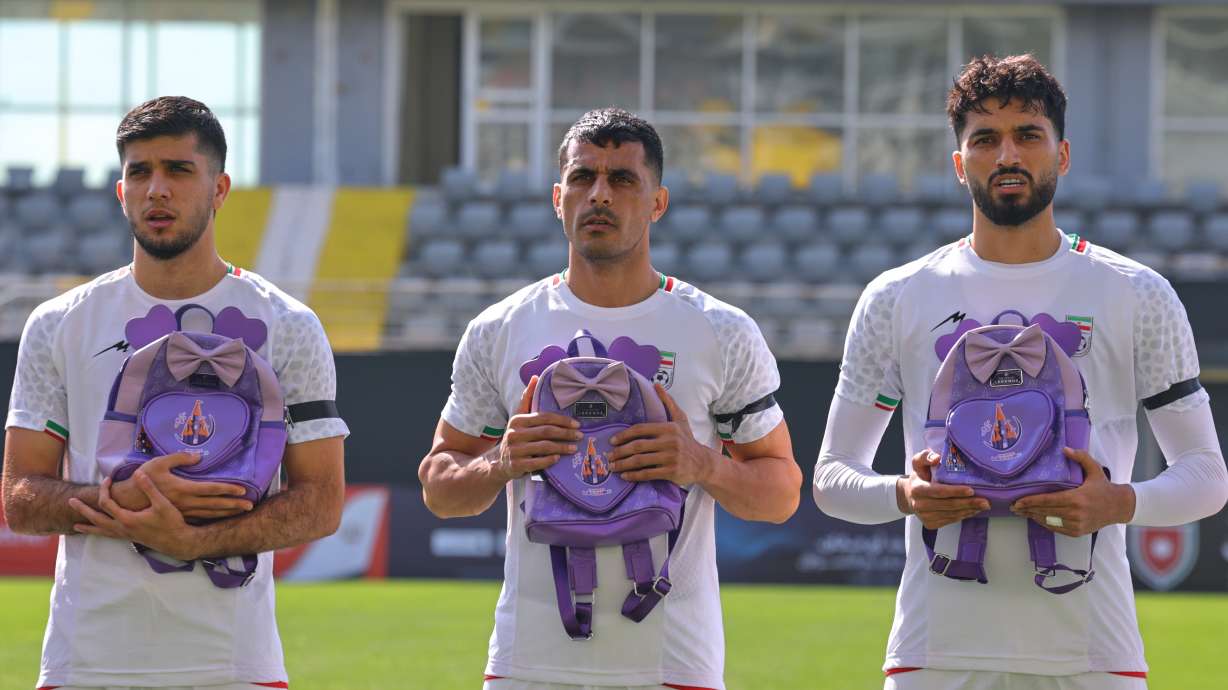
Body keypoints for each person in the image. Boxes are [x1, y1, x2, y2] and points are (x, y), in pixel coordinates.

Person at [811, 54, 1228, 690]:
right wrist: (906, 495)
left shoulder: (1137, 293)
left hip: (1094, 655)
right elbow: (831, 479)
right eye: (985, 139)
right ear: (959, 164)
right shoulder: (897, 296)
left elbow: (1207, 477)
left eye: (1028, 135)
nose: (1008, 154)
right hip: (934, 655)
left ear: (1061, 155)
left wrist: (1117, 503)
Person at [418, 107, 802, 690]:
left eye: (623, 179)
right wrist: (502, 462)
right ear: (557, 197)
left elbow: (780, 494)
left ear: (657, 203)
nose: (600, 194)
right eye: (583, 177)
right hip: (529, 665)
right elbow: (439, 488)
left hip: (674, 663)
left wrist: (700, 463)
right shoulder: (499, 329)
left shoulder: (719, 330)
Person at [1, 96, 349, 690]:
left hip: (235, 665)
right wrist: (120, 501)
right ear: (121, 192)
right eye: (140, 172)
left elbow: (321, 502)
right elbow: (20, 497)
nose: (156, 190)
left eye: (179, 170)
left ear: (219, 189)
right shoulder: (59, 323)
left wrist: (195, 539)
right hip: (86, 662)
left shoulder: (289, 324)